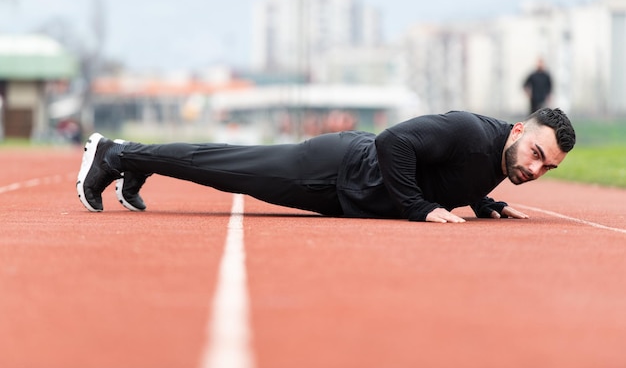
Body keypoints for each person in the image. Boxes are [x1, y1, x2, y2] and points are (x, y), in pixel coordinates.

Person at [76, 108, 576, 223]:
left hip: (345, 189)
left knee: (220, 167)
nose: (535, 170)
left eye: (546, 168)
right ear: (518, 130)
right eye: (536, 155)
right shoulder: (470, 131)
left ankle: (138, 162)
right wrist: (419, 208)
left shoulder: (502, 157)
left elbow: (452, 171)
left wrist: (483, 202)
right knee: (224, 166)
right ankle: (115, 154)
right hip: (333, 169)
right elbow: (395, 141)